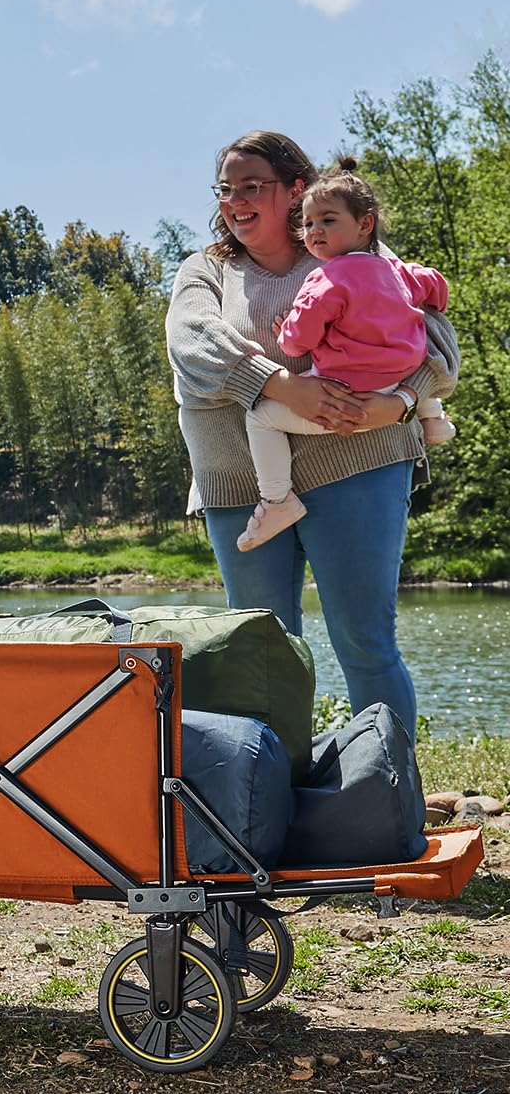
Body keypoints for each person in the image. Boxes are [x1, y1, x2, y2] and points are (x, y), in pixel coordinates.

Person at [165, 130, 459, 741]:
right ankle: (267, 807)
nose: (236, 200)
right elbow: (192, 349)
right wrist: (277, 383)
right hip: (241, 481)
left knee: (364, 639)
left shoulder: (354, 255)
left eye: (253, 186)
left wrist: (400, 402)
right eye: (226, 189)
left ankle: (388, 795)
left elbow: (438, 348)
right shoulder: (204, 271)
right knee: (262, 653)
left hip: (361, 464)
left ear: (296, 190)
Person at [238, 157, 455, 551]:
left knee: (261, 418)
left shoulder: (325, 278)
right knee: (417, 347)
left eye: (327, 220)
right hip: (396, 387)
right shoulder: (397, 271)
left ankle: (276, 499)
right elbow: (436, 287)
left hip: (345, 398)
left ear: (364, 224)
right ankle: (433, 417)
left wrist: (285, 331)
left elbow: (296, 341)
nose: (315, 231)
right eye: (307, 224)